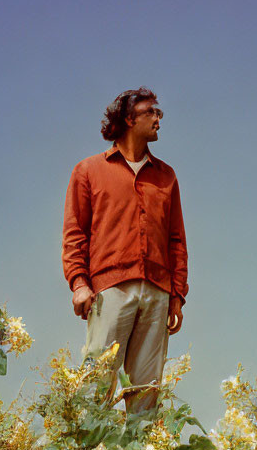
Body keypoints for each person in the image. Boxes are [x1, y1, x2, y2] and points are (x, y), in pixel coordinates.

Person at [62, 87, 188, 414]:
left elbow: (177, 241)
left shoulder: (166, 177)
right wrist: (79, 283)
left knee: (145, 396)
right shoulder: (88, 171)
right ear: (130, 119)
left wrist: (177, 295)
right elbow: (75, 231)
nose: (159, 119)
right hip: (110, 290)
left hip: (159, 294)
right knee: (95, 387)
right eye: (152, 113)